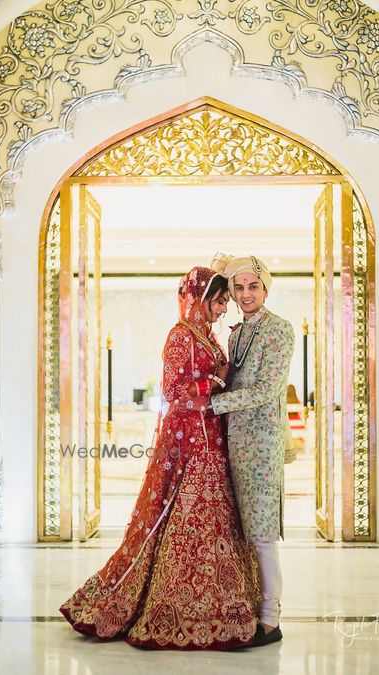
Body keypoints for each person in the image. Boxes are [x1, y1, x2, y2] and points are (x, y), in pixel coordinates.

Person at [59, 266, 261, 649]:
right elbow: (174, 391)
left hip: (211, 438)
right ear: (201, 298)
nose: (223, 309)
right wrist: (217, 379)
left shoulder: (207, 335)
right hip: (187, 441)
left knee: (214, 521)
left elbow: (214, 383)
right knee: (181, 519)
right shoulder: (180, 335)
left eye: (224, 302)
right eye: (219, 301)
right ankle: (171, 606)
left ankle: (223, 610)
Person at [210, 254, 295, 647]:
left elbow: (268, 390)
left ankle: (270, 620)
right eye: (238, 288)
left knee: (261, 534)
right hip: (234, 441)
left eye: (253, 287)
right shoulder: (236, 333)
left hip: (261, 444)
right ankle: (248, 610)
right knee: (243, 531)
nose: (245, 295)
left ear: (265, 288)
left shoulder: (280, 330)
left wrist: (214, 403)